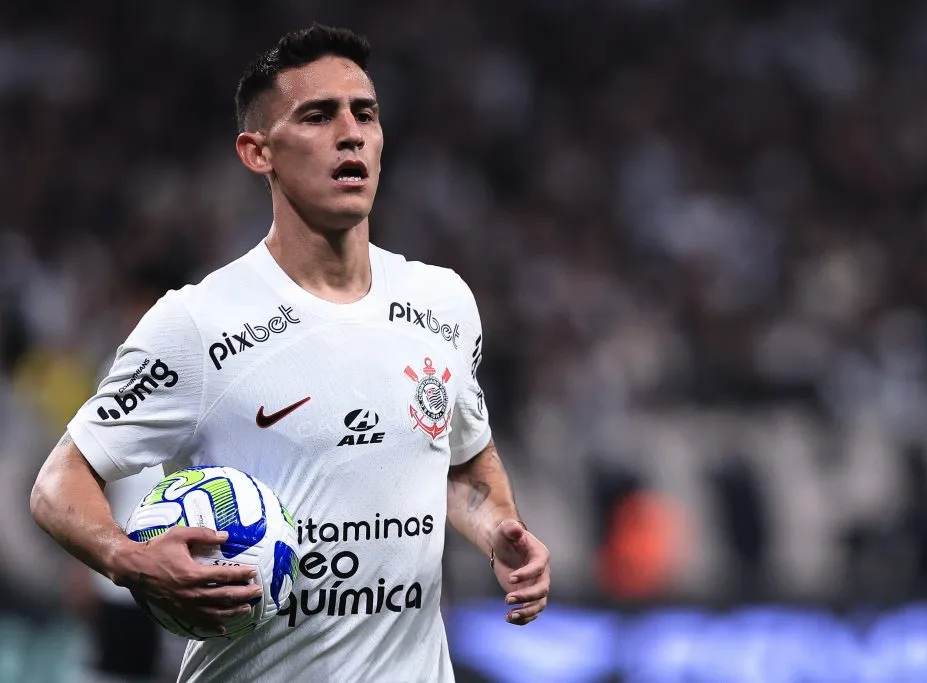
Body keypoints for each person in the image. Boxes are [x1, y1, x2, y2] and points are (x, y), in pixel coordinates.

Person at [30, 24, 551, 683]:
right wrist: (128, 557)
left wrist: (501, 528)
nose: (351, 132)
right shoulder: (198, 322)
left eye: (365, 113)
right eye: (317, 115)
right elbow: (58, 483)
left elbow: (464, 460)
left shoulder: (442, 302)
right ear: (258, 153)